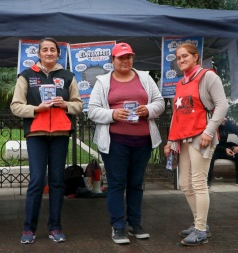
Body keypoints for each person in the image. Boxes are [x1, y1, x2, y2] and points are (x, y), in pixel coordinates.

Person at [88, 43, 165, 244]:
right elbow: (92, 110)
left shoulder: (145, 78)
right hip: (116, 142)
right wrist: (113, 114)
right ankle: (118, 226)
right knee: (116, 184)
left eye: (128, 57)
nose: (125, 61)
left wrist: (147, 109)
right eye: (120, 57)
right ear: (112, 60)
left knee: (136, 184)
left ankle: (135, 224)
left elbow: (160, 103)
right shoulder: (103, 82)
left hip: (142, 140)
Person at [10, 37, 83, 244]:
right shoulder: (26, 75)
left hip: (60, 134)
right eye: (45, 50)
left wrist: (65, 104)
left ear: (58, 54)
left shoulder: (68, 76)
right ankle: (28, 229)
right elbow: (16, 106)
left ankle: (55, 227)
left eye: (52, 50)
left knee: (58, 182)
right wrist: (36, 109)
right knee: (37, 180)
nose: (49, 53)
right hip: (36, 134)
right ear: (39, 53)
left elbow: (79, 105)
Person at [163, 43, 229, 246]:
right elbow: (177, 114)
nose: (181, 60)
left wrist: (209, 131)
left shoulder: (208, 76)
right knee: (185, 183)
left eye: (185, 56)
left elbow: (222, 104)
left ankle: (200, 229)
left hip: (201, 135)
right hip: (182, 138)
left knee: (198, 183)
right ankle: (200, 223)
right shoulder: (180, 83)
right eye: (178, 57)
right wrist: (170, 140)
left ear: (196, 57)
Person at [207, 118, 238, 188]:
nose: (225, 119)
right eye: (222, 118)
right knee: (210, 156)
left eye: (225, 117)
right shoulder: (210, 125)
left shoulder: (226, 123)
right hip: (213, 149)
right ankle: (207, 181)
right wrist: (224, 149)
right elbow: (210, 143)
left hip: (224, 148)